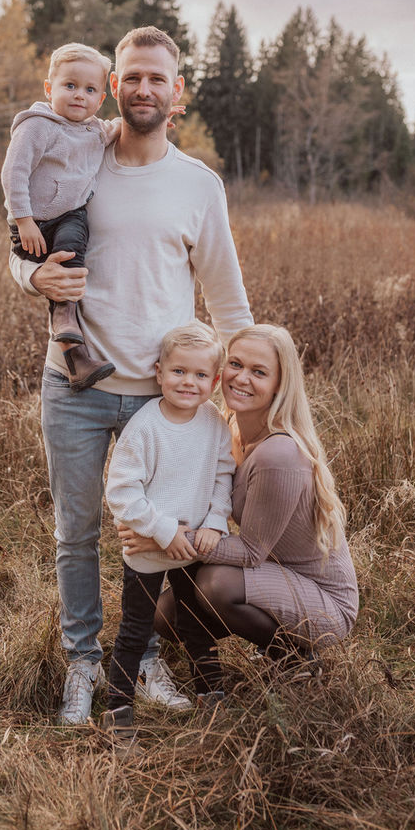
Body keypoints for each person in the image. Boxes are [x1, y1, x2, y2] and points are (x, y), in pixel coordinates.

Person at [9, 26, 252, 725]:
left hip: (161, 398)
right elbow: (22, 247)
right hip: (74, 386)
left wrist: (246, 404)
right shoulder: (76, 150)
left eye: (157, 78)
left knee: (151, 533)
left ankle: (140, 655)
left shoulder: (197, 186)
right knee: (76, 530)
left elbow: (227, 301)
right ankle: (83, 663)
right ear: (113, 84)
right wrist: (32, 274)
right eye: (131, 76)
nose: (143, 88)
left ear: (177, 93)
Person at [120, 324, 359, 686]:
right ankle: (267, 644)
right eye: (235, 364)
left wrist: (165, 540)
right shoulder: (228, 429)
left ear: (279, 384)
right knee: (165, 615)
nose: (242, 378)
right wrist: (159, 525)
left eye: (259, 372)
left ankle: (294, 657)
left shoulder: (279, 454)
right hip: (273, 572)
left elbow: (250, 551)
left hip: (324, 601)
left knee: (216, 585)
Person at [101, 321, 234, 755]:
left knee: (195, 620)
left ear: (214, 381)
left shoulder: (214, 421)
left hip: (196, 545)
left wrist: (214, 522)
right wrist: (163, 531)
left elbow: (222, 474)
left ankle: (212, 695)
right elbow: (121, 492)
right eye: (178, 372)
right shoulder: (144, 427)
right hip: (150, 550)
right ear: (158, 372)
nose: (188, 383)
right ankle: (117, 713)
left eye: (199, 375)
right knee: (135, 630)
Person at [1, 42, 118, 388]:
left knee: (72, 249)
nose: (79, 95)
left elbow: (119, 128)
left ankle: (67, 327)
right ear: (49, 89)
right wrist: (23, 220)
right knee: (62, 261)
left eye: (89, 89)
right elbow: (13, 172)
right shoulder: (38, 126)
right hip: (33, 223)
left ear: (100, 100)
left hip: (68, 217)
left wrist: (161, 118)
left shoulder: (95, 130)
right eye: (70, 86)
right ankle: (67, 329)